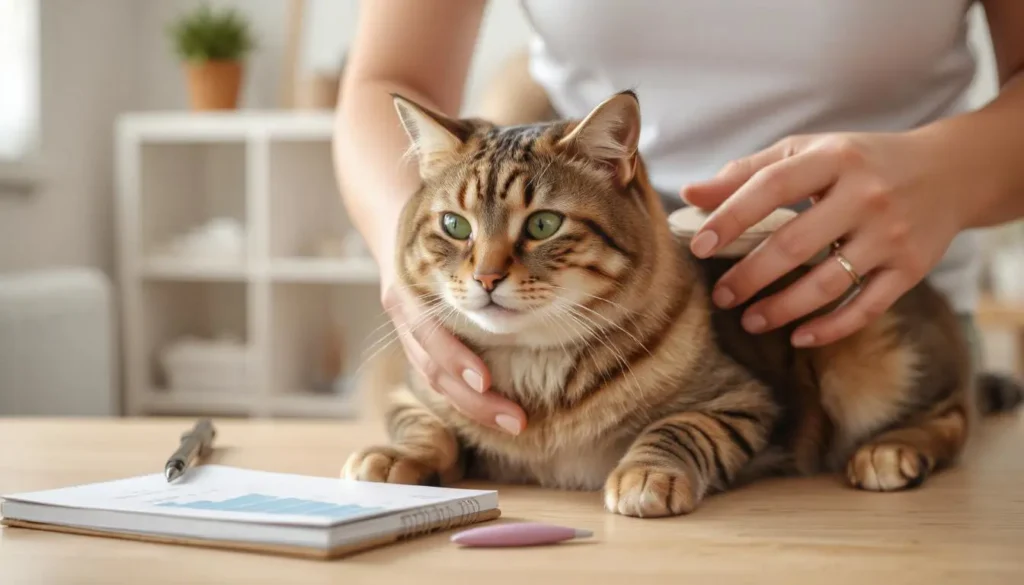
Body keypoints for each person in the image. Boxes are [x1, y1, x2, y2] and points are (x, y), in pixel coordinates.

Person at [333, 0, 1024, 436]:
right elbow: (389, 81)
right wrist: (417, 254)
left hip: (867, 330)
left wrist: (944, 175)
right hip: (574, 323)